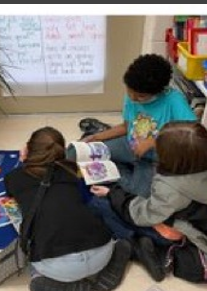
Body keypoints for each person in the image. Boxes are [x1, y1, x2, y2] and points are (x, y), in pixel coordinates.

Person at [91, 121, 207, 284]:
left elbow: (142, 215)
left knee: (98, 203)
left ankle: (135, 246)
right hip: (194, 216)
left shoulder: (171, 189)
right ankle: (145, 244)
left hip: (177, 231)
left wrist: (112, 194)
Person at [4, 127, 132, 291]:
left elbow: (13, 192)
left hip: (57, 269)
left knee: (27, 235)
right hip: (101, 253)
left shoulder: (13, 177)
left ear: (27, 149)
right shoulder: (73, 171)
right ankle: (112, 265)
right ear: (62, 151)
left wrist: (23, 161)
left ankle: (45, 281)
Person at [78, 53, 197, 197]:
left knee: (138, 197)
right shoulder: (132, 94)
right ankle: (115, 164)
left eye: (141, 96)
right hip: (129, 144)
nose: (133, 98)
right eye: (130, 92)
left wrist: (153, 142)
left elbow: (192, 134)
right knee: (81, 154)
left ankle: (117, 178)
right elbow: (126, 126)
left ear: (158, 92)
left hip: (155, 159)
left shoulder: (174, 100)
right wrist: (97, 136)